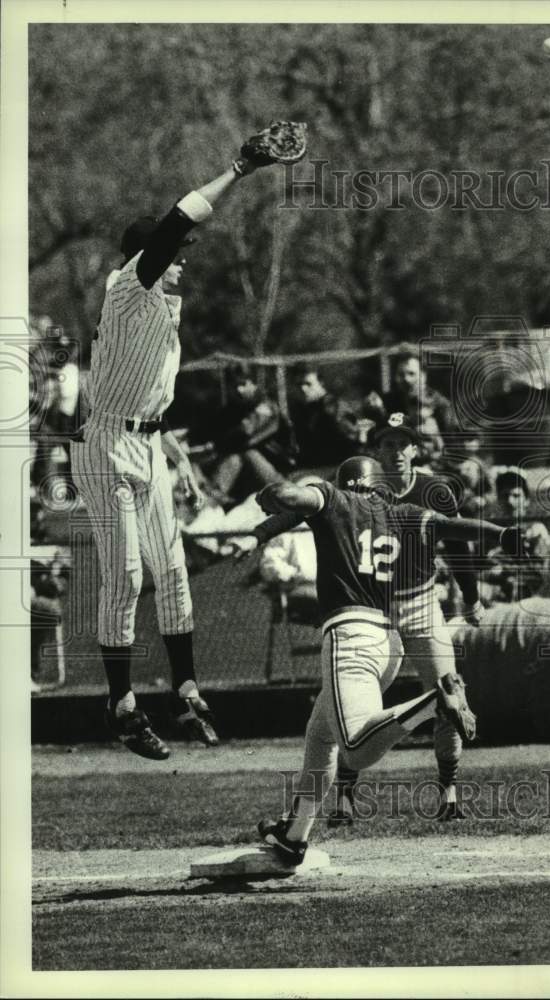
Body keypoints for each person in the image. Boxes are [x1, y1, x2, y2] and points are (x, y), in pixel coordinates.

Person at [70, 146, 275, 760]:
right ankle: (121, 704)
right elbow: (179, 223)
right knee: (128, 574)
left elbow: (154, 395)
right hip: (105, 444)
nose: (185, 261)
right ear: (147, 256)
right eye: (176, 254)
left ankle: (187, 688)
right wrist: (239, 170)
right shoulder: (131, 287)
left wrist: (175, 455)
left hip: (148, 443)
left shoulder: (159, 303)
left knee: (174, 567)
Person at [256, 455, 527, 864]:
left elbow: (284, 494)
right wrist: (500, 533)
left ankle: (433, 701)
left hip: (351, 636)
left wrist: (269, 494)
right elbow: (452, 528)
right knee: (321, 736)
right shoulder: (401, 512)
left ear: (346, 483)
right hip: (388, 641)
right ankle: (295, 835)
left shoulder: (335, 499)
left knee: (356, 748)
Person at [331, 412, 484, 824]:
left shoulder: (434, 489)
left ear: (416, 449)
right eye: (387, 444)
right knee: (353, 708)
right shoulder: (360, 491)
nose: (396, 452)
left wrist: (470, 596)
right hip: (371, 610)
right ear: (375, 450)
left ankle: (449, 794)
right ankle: (343, 797)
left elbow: (457, 548)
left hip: (419, 604)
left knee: (449, 691)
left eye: (403, 444)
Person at [206, 363, 297, 506]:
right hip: (251, 472)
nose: (238, 389)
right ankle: (209, 501)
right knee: (227, 457)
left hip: (278, 472)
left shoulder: (265, 407)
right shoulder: (237, 408)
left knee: (242, 454)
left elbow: (245, 436)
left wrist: (219, 443)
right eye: (235, 385)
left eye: (243, 384)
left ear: (254, 385)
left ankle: (210, 503)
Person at [363, 352, 458, 461]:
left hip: (433, 463)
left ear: (423, 376)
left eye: (411, 374)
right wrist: (375, 413)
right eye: (401, 374)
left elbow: (453, 441)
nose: (406, 379)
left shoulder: (439, 404)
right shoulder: (389, 402)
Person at [480, 467, 550, 604]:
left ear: (526, 500)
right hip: (491, 590)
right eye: (505, 495)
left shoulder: (535, 530)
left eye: (516, 495)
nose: (510, 501)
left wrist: (504, 571)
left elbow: (539, 572)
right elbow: (478, 566)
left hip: (521, 593)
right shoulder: (491, 530)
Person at [289, 364, 360, 468]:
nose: (303, 388)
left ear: (321, 383)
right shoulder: (301, 410)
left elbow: (352, 443)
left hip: (336, 467)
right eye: (299, 384)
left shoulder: (334, 407)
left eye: (308, 384)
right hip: (312, 467)